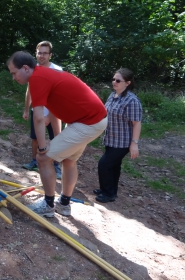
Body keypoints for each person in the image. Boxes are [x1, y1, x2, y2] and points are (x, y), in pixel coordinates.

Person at [7, 51, 107, 217]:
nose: (13, 77)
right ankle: (64, 204)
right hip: (92, 119)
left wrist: (42, 147)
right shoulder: (44, 74)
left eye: (14, 73)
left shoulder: (37, 79)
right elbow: (61, 100)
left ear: (25, 68)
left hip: (88, 121)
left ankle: (48, 205)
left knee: (43, 158)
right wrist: (51, 122)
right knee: (69, 159)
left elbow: (37, 118)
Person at [94, 68, 142, 203]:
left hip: (123, 142)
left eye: (118, 80)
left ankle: (108, 193)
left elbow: (137, 123)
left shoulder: (132, 101)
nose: (114, 82)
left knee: (104, 164)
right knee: (114, 166)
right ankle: (109, 190)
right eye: (113, 79)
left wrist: (134, 144)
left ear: (127, 83)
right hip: (111, 139)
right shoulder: (113, 95)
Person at [22, 41, 63, 179]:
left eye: (45, 53)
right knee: (35, 139)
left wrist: (51, 116)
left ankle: (56, 166)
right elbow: (29, 90)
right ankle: (34, 161)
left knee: (56, 139)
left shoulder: (57, 70)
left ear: (50, 55)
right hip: (37, 110)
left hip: (54, 112)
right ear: (36, 53)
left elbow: (60, 95)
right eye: (40, 53)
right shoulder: (33, 70)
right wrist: (26, 109)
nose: (42, 56)